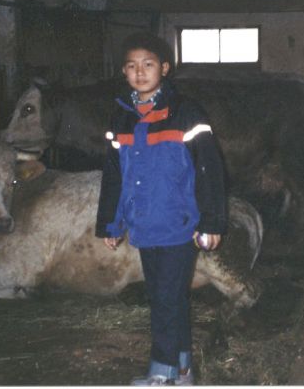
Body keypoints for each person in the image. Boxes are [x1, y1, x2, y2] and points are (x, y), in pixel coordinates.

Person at [95, 31, 227, 386]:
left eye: (148, 64)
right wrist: (111, 222)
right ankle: (183, 368)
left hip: (179, 223)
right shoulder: (121, 118)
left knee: (166, 299)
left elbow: (209, 169)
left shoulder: (186, 113)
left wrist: (212, 221)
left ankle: (163, 371)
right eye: (132, 66)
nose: (140, 72)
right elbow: (114, 175)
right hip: (143, 224)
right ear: (123, 72)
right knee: (167, 297)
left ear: (164, 68)